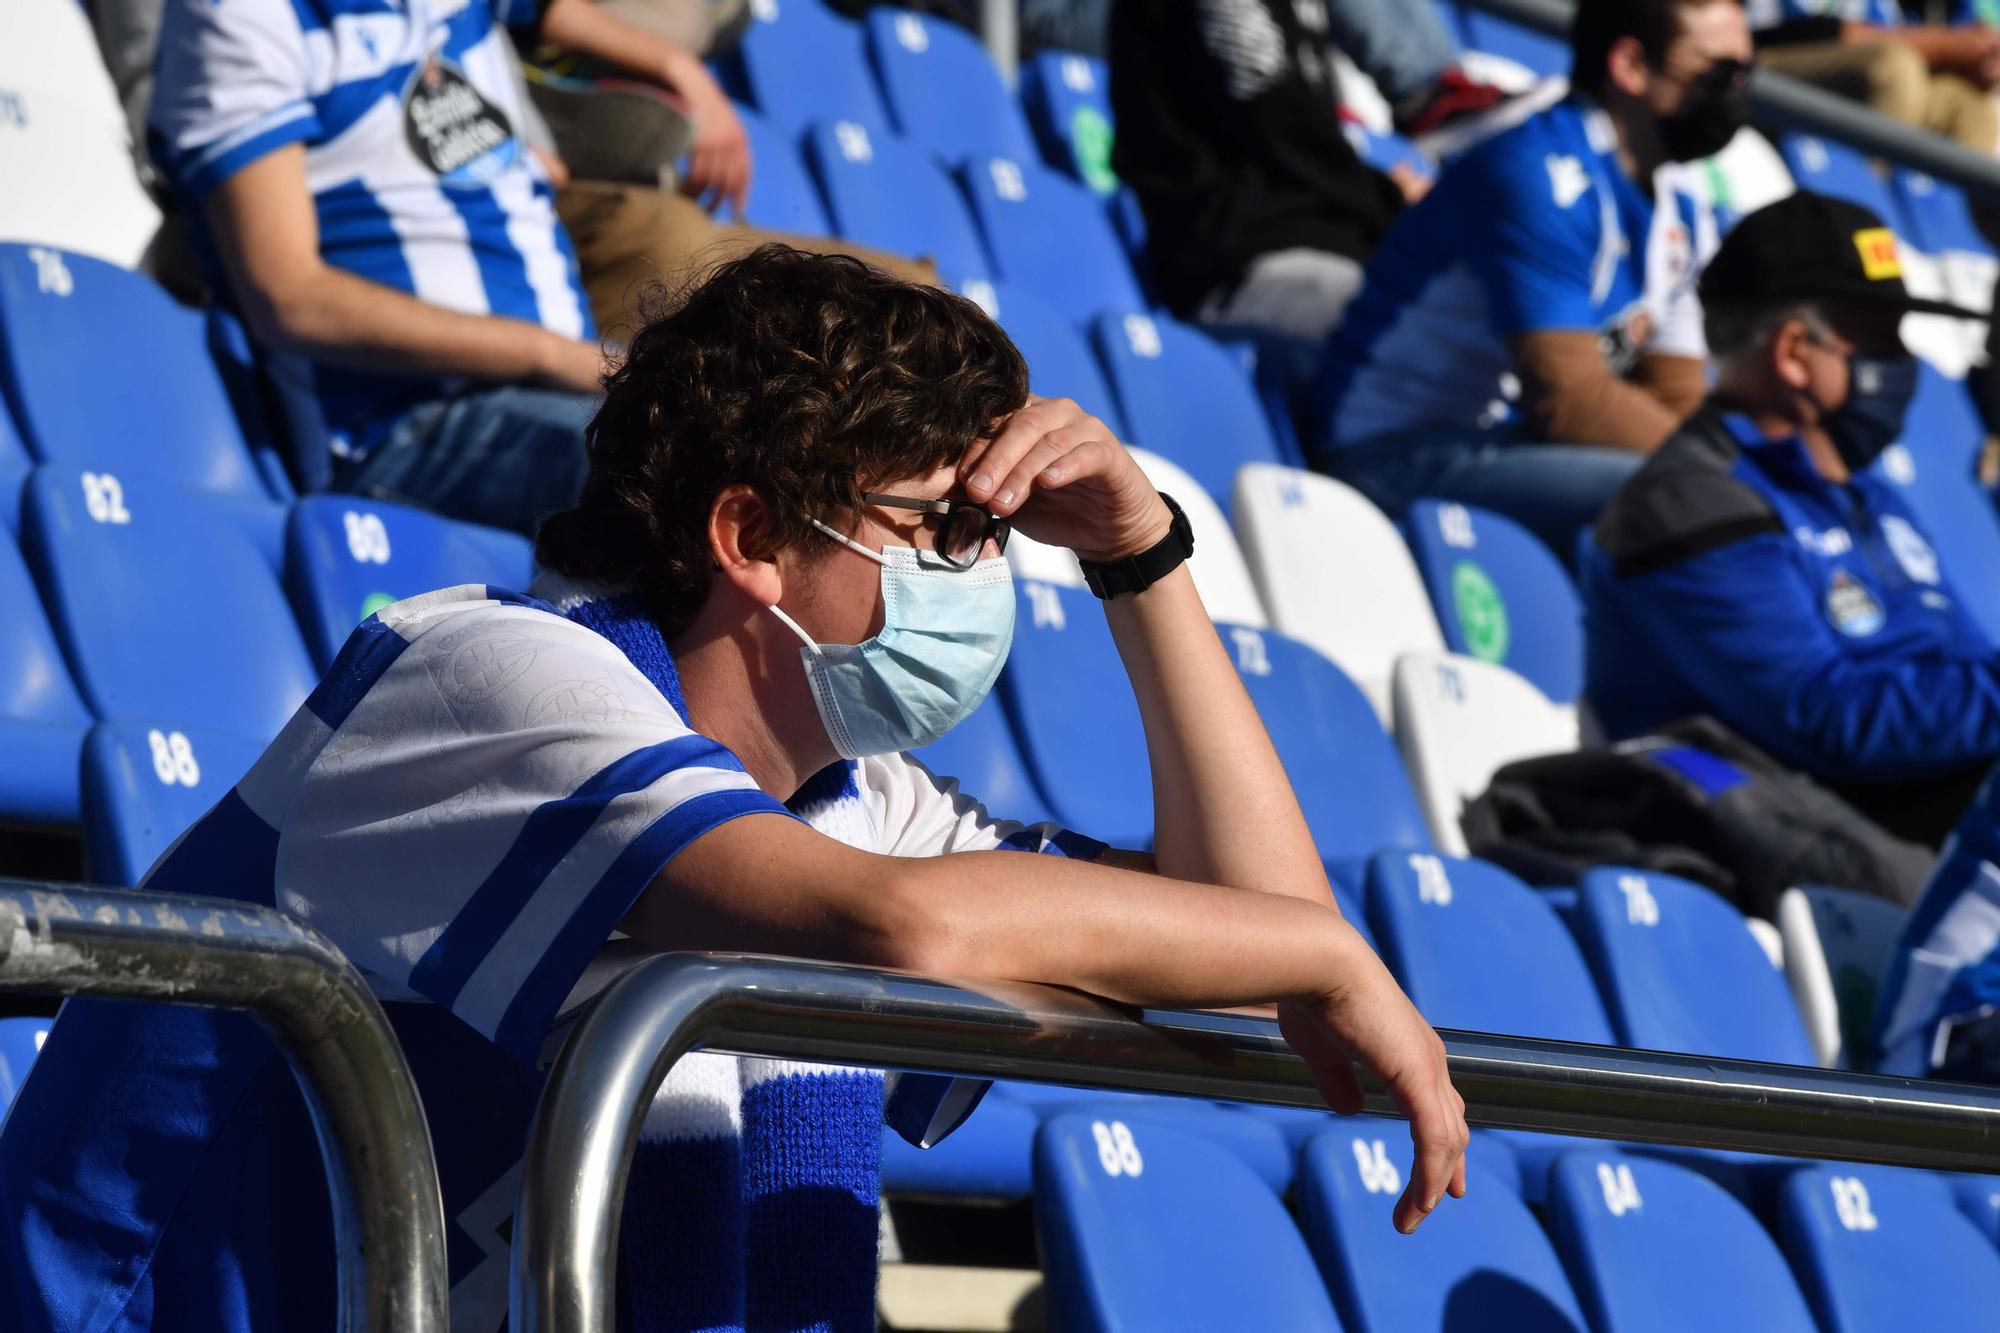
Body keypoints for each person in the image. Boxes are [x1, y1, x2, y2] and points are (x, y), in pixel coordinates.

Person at [0, 248, 1468, 1331]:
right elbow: (909, 931)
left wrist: (1144, 561)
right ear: (754, 536)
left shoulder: (861, 795)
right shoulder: (481, 673)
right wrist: (1329, 954)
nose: (981, 580)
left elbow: (1250, 937)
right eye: (939, 528)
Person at [145, 0, 927, 536]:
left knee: (854, 417)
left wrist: (679, 70)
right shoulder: (244, 18)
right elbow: (292, 297)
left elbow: (544, 8)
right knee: (719, 480)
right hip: (404, 426)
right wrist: (564, 360)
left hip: (555, 383)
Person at [1581, 191, 1995, 853]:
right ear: (1795, 351)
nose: (1903, 364)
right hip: (1796, 841)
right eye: (1881, 338)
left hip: (1927, 817)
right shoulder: (1689, 500)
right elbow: (1830, 720)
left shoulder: (1868, 493)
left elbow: (1963, 662)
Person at [1314, 0, 1752, 561]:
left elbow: (1675, 393)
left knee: (1720, 498)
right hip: (1388, 449)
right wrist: (1738, 476)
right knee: (1689, 497)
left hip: (1501, 443)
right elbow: (1570, 402)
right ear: (1631, 67)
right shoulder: (1535, 171)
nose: (1738, 92)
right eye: (1720, 72)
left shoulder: (1683, 213)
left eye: (1746, 73)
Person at [1748, 0, 2000, 154]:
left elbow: (1886, 28)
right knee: (1896, 68)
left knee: (1971, 103)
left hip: (1858, 64)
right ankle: (1877, 199)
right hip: (1761, 60)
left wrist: (1978, 58)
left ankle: (1948, 231)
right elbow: (1806, 29)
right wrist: (1946, 46)